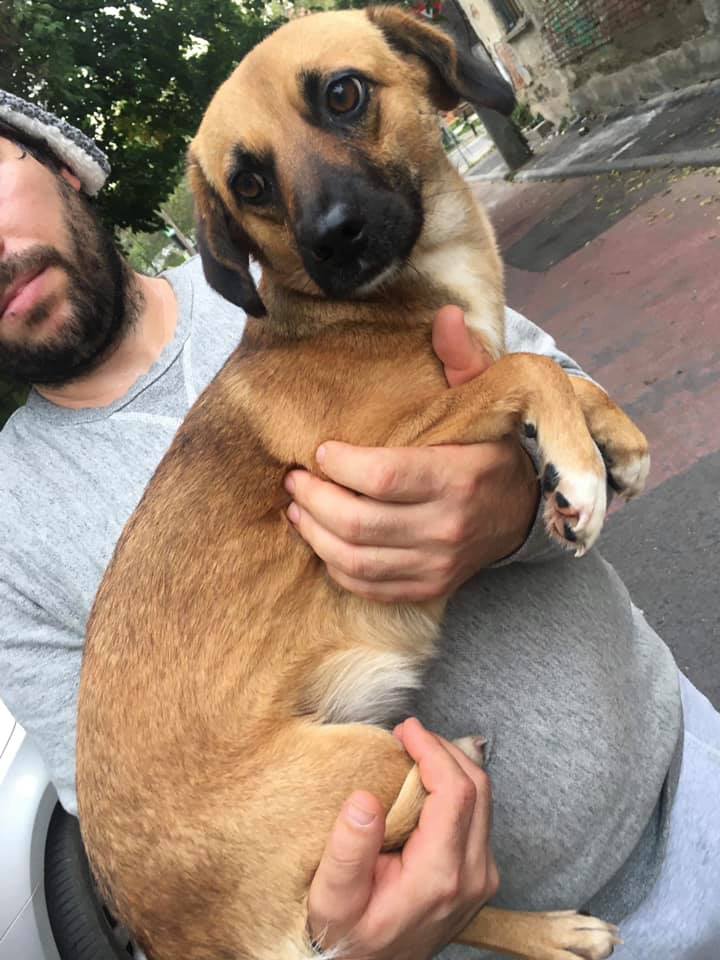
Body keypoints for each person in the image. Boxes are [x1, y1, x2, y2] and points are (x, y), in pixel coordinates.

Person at [0, 91, 718, 960]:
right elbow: (146, 842)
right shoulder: (9, 528)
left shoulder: (317, 253)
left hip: (688, 779)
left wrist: (512, 508)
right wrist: (357, 950)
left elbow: (588, 424)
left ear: (62, 163)